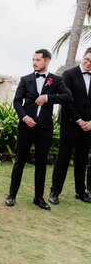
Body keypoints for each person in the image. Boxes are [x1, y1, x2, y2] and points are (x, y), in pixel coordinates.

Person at [5, 49, 72, 210]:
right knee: (19, 161)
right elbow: (17, 101)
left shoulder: (56, 80)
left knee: (41, 164)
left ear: (47, 61)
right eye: (33, 59)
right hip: (25, 127)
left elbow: (68, 97)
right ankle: (11, 195)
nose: (34, 63)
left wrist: (48, 98)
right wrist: (24, 117)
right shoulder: (26, 79)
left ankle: (38, 198)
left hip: (45, 129)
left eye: (38, 60)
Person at [49, 48, 91, 205]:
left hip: (88, 127)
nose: (88, 63)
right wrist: (79, 120)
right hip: (70, 124)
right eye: (87, 59)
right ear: (83, 57)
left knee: (82, 160)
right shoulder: (69, 74)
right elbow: (66, 101)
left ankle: (80, 192)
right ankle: (54, 192)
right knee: (63, 159)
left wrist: (90, 123)